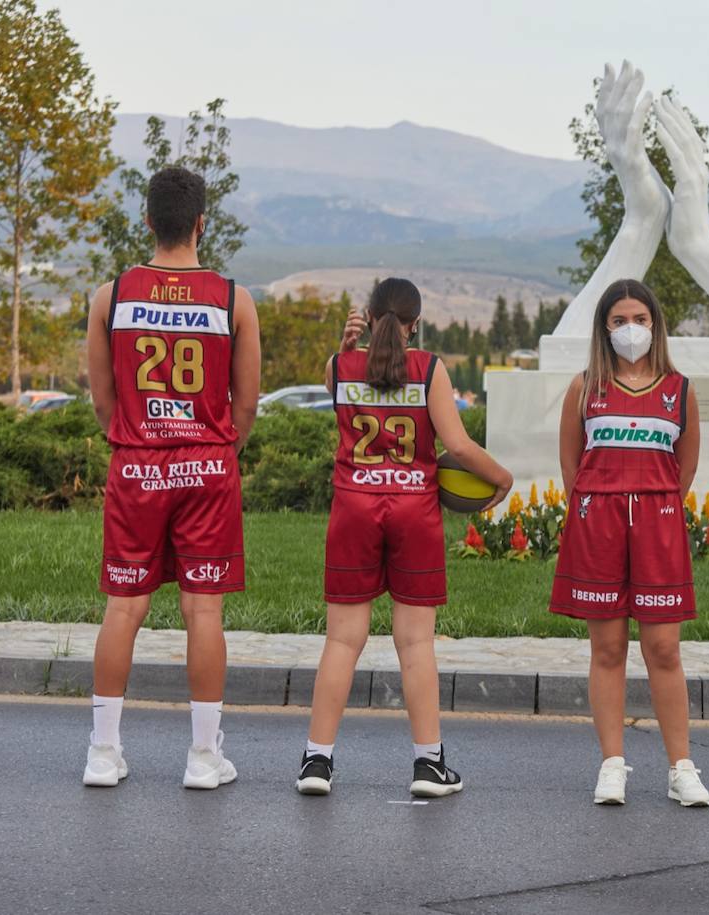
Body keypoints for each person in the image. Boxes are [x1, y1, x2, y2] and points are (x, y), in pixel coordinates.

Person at [296, 278, 512, 797]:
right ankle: (428, 765)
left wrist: (345, 349)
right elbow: (457, 446)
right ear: (416, 323)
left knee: (342, 640)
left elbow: (341, 380)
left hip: (354, 508)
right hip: (413, 511)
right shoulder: (431, 368)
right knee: (414, 641)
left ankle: (316, 763)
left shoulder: (337, 367)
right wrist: (502, 478)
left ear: (367, 318)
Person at [83, 166, 261, 789]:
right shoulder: (234, 297)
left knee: (124, 606)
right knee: (202, 610)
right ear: (201, 223)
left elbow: (103, 401)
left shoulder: (111, 296)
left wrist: (137, 439)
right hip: (208, 464)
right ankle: (203, 758)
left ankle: (103, 753)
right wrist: (216, 450)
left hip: (136, 464)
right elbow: (246, 406)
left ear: (148, 221)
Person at [550, 278, 709, 808]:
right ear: (603, 329)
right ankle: (612, 764)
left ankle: (681, 766)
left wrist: (654, 508)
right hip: (598, 525)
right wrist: (601, 506)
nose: (630, 329)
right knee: (609, 647)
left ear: (655, 324)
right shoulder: (585, 387)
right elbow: (571, 466)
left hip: (658, 527)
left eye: (639, 319)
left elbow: (683, 469)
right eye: (618, 321)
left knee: (664, 648)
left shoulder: (679, 389)